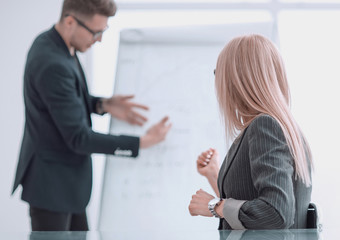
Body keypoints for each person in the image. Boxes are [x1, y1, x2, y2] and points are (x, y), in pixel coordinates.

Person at [12, 0, 172, 231]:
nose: (99, 39)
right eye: (96, 32)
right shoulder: (52, 63)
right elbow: (79, 138)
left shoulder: (56, 43)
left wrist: (102, 104)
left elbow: (61, 103)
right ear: (70, 21)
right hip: (52, 186)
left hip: (66, 184)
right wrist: (142, 142)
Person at [188, 34, 313, 229]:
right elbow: (250, 204)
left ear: (237, 80)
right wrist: (214, 175)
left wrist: (214, 206)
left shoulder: (265, 126)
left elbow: (276, 213)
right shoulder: (284, 128)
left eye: (218, 73)